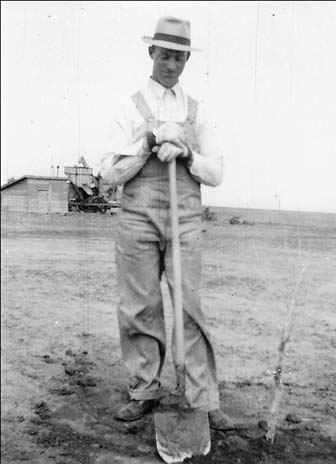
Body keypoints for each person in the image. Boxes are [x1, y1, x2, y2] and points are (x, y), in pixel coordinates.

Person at [100, 16, 234, 430]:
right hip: (138, 215)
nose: (171, 64)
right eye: (164, 55)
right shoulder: (129, 106)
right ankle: (144, 389)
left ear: (186, 60)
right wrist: (147, 144)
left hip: (185, 219)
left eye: (179, 56)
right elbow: (109, 171)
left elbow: (216, 172)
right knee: (140, 306)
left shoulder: (197, 111)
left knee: (189, 306)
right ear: (151, 53)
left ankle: (202, 397)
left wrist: (188, 155)